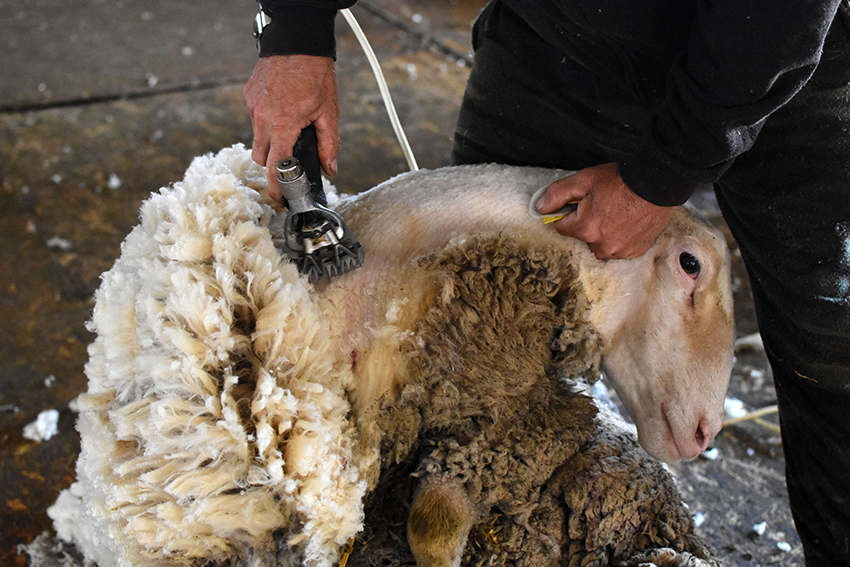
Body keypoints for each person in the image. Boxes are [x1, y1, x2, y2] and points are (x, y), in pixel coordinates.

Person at [243, 1, 850, 565]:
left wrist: (660, 174)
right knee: (465, 342)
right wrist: (294, 32)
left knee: (833, 352)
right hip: (565, 30)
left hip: (783, 53)